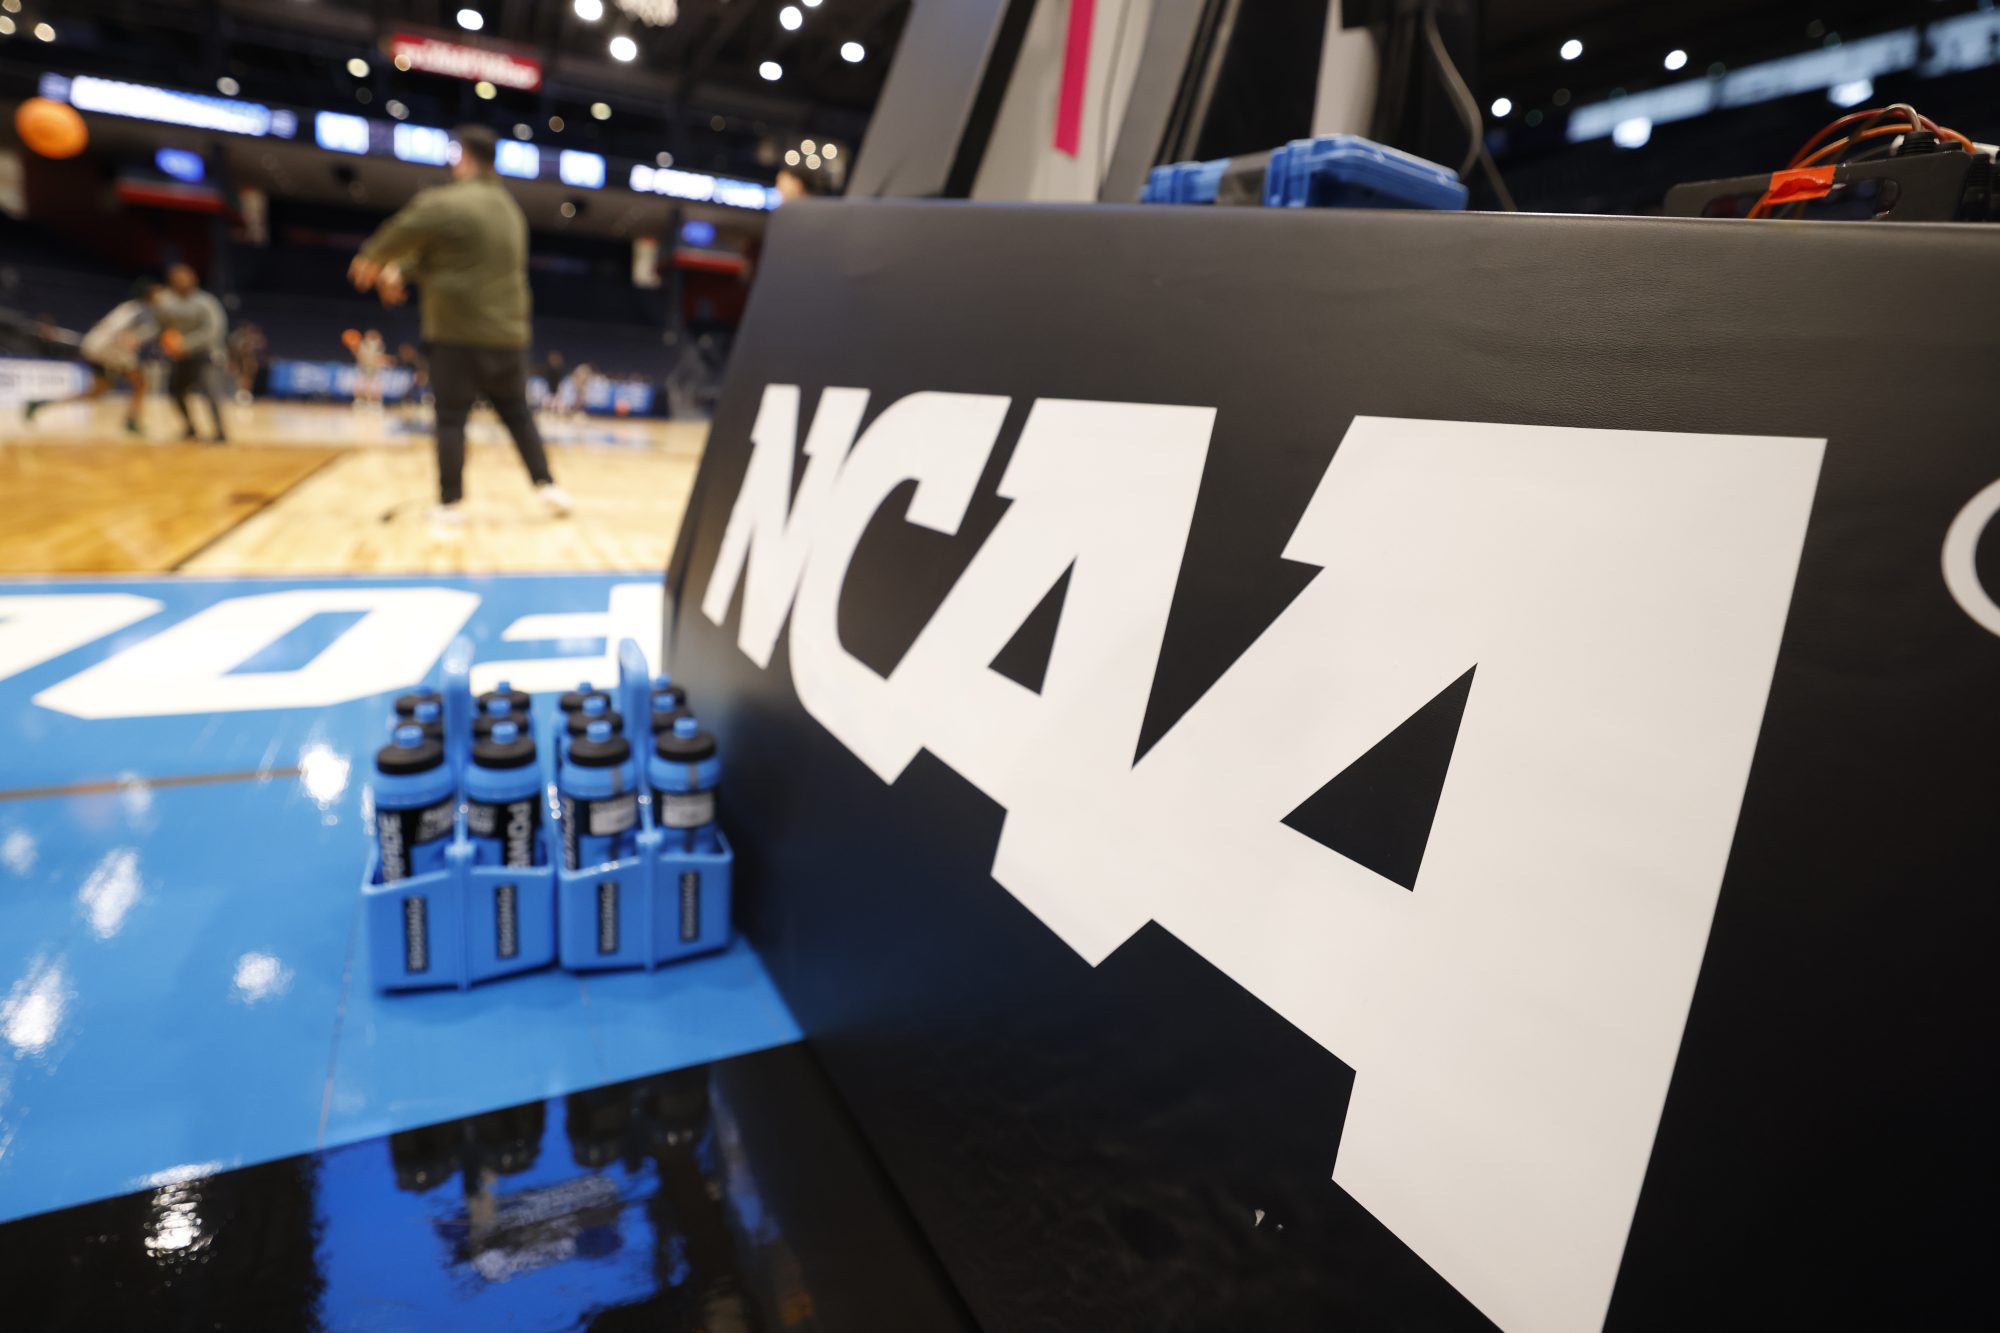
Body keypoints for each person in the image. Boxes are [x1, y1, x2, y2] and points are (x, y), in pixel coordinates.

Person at [348, 124, 571, 526]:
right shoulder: (509, 210)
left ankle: (450, 502)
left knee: (451, 417)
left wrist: (374, 256)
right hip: (509, 336)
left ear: (462, 156)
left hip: (457, 335)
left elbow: (408, 228)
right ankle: (547, 484)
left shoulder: (449, 201)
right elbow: (454, 259)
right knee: (518, 414)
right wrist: (403, 270)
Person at [23, 277, 160, 433]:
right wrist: (127, 341)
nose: (161, 295)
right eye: (158, 291)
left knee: (96, 392)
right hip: (109, 349)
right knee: (140, 383)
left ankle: (40, 403)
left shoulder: (130, 307)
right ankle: (132, 421)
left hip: (97, 346)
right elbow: (121, 332)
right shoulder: (141, 309)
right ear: (149, 293)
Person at [151, 263, 229, 443]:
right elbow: (159, 326)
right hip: (179, 357)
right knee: (175, 391)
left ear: (194, 279)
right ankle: (190, 427)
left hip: (205, 356)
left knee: (210, 393)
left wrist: (184, 344)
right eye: (177, 279)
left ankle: (220, 433)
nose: (182, 281)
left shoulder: (206, 302)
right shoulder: (165, 302)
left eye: (185, 277)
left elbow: (213, 332)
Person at [226, 321, 267, 404]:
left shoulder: (255, 338)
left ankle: (246, 394)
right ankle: (239, 394)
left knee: (248, 378)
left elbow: (262, 346)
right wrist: (232, 362)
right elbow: (233, 350)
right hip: (239, 361)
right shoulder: (237, 338)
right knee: (240, 378)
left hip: (248, 362)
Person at [353, 329, 389, 409]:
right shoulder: (363, 345)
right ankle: (360, 401)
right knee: (361, 383)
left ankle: (375, 402)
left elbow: (378, 357)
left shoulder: (380, 345)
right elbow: (362, 357)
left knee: (376, 385)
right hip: (364, 368)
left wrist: (380, 361)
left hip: (375, 368)